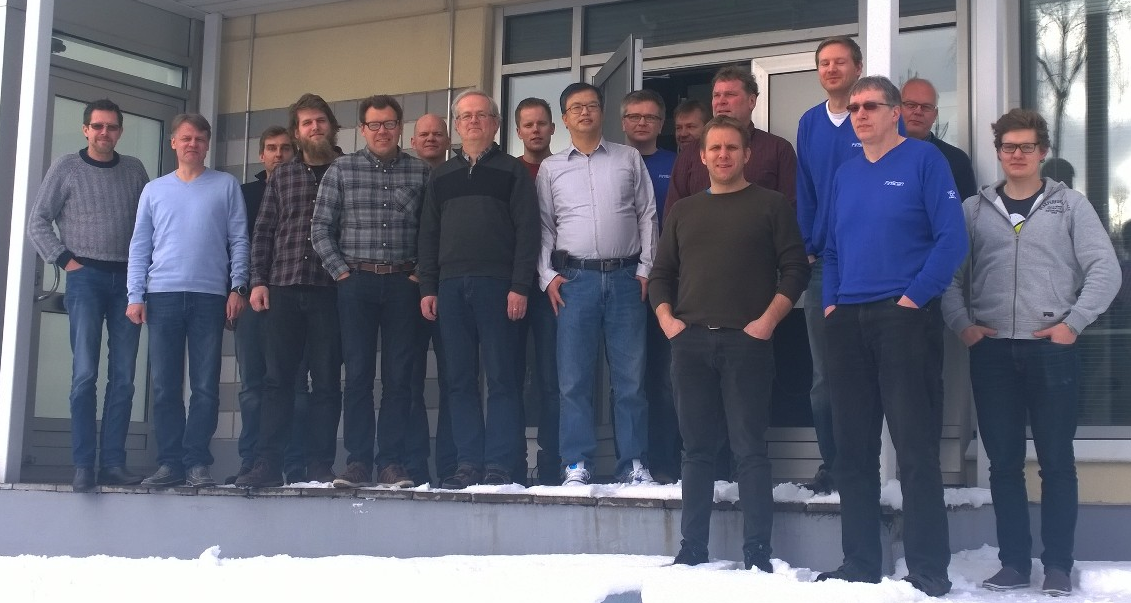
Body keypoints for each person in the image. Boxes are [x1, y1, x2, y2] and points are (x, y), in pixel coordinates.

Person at [941, 109, 1120, 597]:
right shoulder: (974, 210)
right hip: (993, 352)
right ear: (998, 152)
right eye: (1008, 147)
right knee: (1002, 465)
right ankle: (1014, 563)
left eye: (1026, 147)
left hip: (1050, 351)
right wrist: (963, 325)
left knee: (1056, 462)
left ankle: (1058, 565)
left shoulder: (1071, 206)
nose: (1016, 155)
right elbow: (948, 275)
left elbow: (1105, 270)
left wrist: (1072, 324)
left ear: (1042, 152)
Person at [816, 76, 966, 597]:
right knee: (852, 450)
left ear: (895, 112)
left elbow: (952, 239)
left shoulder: (925, 161)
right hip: (848, 321)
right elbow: (830, 248)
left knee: (915, 449)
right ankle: (859, 561)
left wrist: (914, 298)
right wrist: (832, 303)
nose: (859, 114)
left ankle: (928, 569)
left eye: (870, 106)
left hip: (904, 318)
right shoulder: (846, 172)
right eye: (854, 107)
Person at [652, 116, 809, 571]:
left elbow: (795, 270)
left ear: (747, 155)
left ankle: (757, 551)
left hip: (748, 343)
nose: (723, 155)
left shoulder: (771, 205)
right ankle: (692, 549)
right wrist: (668, 322)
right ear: (701, 156)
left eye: (732, 148)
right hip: (690, 344)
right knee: (696, 451)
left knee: (750, 450)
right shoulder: (683, 211)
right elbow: (661, 274)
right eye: (715, 148)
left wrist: (767, 322)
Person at [417, 89, 540, 488]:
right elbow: (428, 234)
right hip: (450, 288)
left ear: (495, 124)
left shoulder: (512, 171)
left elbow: (528, 232)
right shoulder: (441, 176)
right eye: (466, 116)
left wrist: (520, 285)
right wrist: (428, 287)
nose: (473, 121)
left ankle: (500, 464)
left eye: (481, 115)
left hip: (499, 287)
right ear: (457, 125)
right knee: (458, 380)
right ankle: (468, 462)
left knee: (503, 378)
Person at [537, 82, 657, 486]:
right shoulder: (551, 168)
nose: (584, 112)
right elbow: (544, 226)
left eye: (591, 105)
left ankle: (633, 463)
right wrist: (548, 277)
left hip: (625, 279)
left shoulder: (628, 158)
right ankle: (576, 463)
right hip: (574, 282)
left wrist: (646, 269)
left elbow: (647, 214)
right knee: (573, 381)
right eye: (576, 107)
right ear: (564, 119)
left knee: (630, 380)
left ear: (602, 112)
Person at [27, 98, 150, 492]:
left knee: (124, 378)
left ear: (120, 131)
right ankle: (83, 464)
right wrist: (66, 261)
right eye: (97, 126)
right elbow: (37, 221)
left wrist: (145, 274)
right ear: (86, 130)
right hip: (85, 280)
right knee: (84, 375)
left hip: (128, 282)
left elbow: (149, 223)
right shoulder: (66, 167)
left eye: (111, 126)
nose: (104, 133)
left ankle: (113, 463)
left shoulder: (134, 170)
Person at [311, 95, 429, 489]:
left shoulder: (420, 172)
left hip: (403, 284)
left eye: (390, 123)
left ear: (400, 127)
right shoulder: (342, 169)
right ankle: (358, 462)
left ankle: (391, 463)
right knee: (358, 376)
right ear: (362, 129)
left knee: (399, 378)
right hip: (355, 283)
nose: (382, 131)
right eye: (374, 125)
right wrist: (341, 273)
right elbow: (320, 228)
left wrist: (419, 274)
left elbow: (432, 231)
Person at [127, 113, 249, 488]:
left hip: (210, 296)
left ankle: (197, 462)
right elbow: (140, 246)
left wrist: (238, 286)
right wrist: (135, 295)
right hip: (162, 296)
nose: (192, 144)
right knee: (164, 386)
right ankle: (170, 464)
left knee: (205, 386)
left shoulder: (226, 185)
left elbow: (239, 239)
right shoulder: (154, 190)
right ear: (173, 143)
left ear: (207, 144)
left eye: (199, 138)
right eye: (185, 138)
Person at [235, 94, 346, 488]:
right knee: (276, 381)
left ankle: (319, 464)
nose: (314, 127)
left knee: (327, 382)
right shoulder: (283, 175)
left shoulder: (349, 171)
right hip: (282, 287)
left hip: (331, 291)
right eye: (306, 123)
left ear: (332, 125)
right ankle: (268, 464)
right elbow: (264, 231)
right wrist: (258, 281)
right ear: (297, 132)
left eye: (320, 120)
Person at [794, 35, 864, 495]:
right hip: (823, 265)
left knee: (872, 372)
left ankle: (868, 464)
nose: (832, 69)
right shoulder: (810, 123)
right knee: (824, 377)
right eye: (824, 63)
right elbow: (804, 188)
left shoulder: (872, 117)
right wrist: (806, 243)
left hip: (872, 264)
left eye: (840, 61)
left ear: (858, 66)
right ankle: (833, 465)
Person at [228, 125, 310, 486]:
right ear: (261, 155)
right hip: (250, 298)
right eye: (272, 148)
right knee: (252, 385)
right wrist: (235, 289)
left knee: (295, 384)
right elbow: (234, 243)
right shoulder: (245, 194)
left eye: (286, 148)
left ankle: (294, 463)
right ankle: (251, 461)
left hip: (292, 298)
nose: (279, 154)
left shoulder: (306, 187)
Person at [622, 89, 680, 484]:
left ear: (662, 124)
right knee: (628, 379)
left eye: (650, 117)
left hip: (669, 285)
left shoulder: (676, 165)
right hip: (622, 283)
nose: (642, 123)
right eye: (634, 116)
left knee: (664, 377)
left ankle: (664, 461)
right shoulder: (612, 163)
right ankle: (630, 461)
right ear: (623, 122)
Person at [665, 66, 796, 219]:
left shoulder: (778, 149)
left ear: (752, 101)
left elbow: (791, 212)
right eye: (716, 95)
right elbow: (673, 215)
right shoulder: (690, 153)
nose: (721, 101)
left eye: (730, 94)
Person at [514, 96, 562, 484]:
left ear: (552, 128)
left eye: (541, 123)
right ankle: (513, 459)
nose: (535, 130)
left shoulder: (563, 170)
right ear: (518, 131)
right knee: (510, 377)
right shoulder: (509, 172)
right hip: (512, 288)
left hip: (553, 290)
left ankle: (551, 462)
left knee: (552, 378)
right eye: (528, 124)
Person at [407, 113, 456, 486]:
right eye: (423, 134)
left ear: (448, 139)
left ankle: (452, 466)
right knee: (408, 380)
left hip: (451, 287)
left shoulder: (458, 175)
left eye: (437, 134)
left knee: (456, 378)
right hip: (408, 290)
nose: (430, 139)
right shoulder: (402, 176)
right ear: (412, 141)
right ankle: (414, 466)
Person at [900, 77, 977, 200]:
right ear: (897, 109)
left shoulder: (956, 161)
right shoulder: (878, 154)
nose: (918, 111)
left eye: (926, 107)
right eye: (911, 105)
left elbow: (966, 209)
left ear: (935, 115)